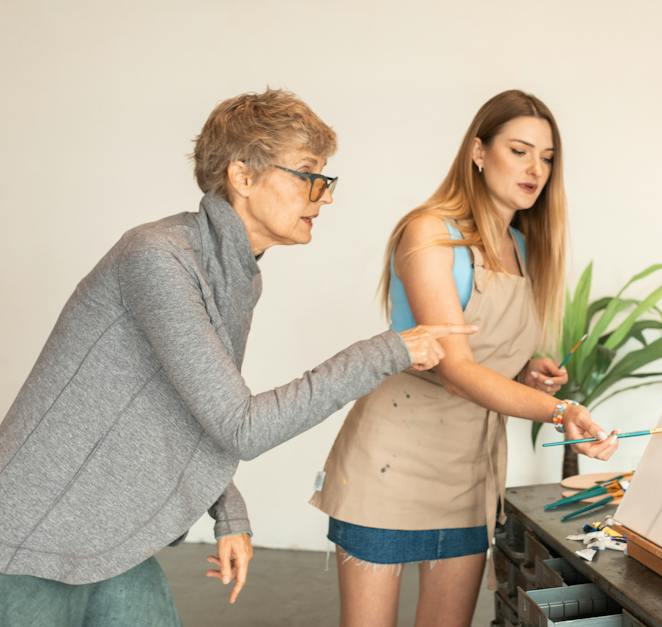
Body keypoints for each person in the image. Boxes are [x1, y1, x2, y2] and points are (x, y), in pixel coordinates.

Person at [0, 88, 474, 626]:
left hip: (111, 537)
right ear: (242, 176)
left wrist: (229, 513)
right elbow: (241, 425)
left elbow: (199, 409)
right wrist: (390, 348)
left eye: (326, 176)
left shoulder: (233, 274)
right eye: (308, 173)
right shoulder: (158, 258)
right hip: (31, 534)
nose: (325, 195)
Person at [312, 89, 619, 627]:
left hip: (470, 474)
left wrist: (525, 372)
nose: (536, 169)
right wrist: (558, 411)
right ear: (478, 151)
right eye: (520, 150)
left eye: (547, 158)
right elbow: (454, 368)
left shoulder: (524, 248)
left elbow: (482, 355)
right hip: (393, 462)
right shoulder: (430, 233)